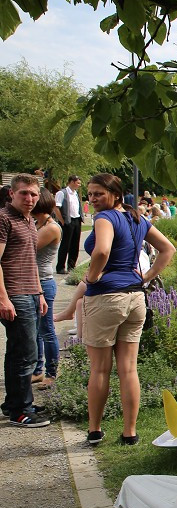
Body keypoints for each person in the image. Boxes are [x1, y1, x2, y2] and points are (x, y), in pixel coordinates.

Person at [82, 174, 176, 445]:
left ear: (115, 194)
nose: (93, 199)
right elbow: (168, 249)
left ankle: (95, 430)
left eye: (99, 193)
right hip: (135, 298)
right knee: (129, 369)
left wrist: (91, 277)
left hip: (106, 298)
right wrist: (145, 278)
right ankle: (130, 432)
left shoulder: (105, 218)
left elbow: (101, 251)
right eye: (90, 194)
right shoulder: (136, 219)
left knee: (100, 369)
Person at [0, 174, 50, 427]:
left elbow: (29, 261)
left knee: (18, 350)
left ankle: (14, 403)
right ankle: (21, 410)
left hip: (30, 292)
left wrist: (39, 293)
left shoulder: (29, 220)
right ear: (11, 193)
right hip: (14, 294)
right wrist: (3, 298)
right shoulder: (3, 218)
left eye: (33, 194)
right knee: (26, 353)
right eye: (24, 193)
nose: (29, 198)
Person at [32, 190, 62, 388]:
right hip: (33, 282)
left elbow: (26, 247)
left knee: (46, 330)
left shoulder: (51, 228)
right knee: (34, 330)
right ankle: (37, 370)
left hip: (44, 282)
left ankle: (51, 373)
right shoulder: (37, 224)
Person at [54, 175, 83, 275]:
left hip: (76, 220)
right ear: (71, 182)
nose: (79, 185)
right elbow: (56, 208)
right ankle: (60, 267)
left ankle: (72, 266)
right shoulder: (62, 193)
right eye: (78, 183)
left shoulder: (75, 194)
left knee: (75, 244)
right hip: (67, 221)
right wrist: (62, 221)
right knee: (65, 244)